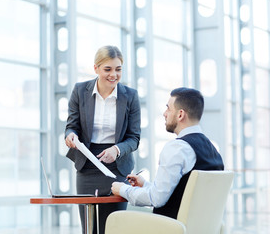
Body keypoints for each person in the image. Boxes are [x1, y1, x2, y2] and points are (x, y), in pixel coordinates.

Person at [111, 87, 224, 219]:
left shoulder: (177, 148)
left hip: (172, 227)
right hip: (198, 227)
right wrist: (145, 185)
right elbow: (182, 193)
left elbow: (156, 199)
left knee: (116, 218)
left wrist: (122, 189)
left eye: (168, 108)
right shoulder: (212, 150)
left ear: (180, 114)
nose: (165, 113)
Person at [65, 45, 141, 234]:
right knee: (89, 228)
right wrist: (70, 135)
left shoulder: (130, 96)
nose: (113, 75)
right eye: (108, 69)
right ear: (96, 68)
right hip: (87, 165)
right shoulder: (80, 91)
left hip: (117, 167)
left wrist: (116, 150)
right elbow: (72, 125)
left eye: (118, 69)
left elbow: (134, 138)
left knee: (113, 227)